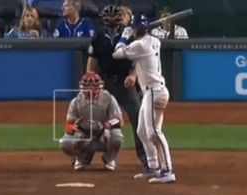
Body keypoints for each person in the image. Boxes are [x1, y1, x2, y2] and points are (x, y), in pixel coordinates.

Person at [113, 14, 176, 183]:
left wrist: (124, 37)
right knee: (142, 131)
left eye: (134, 27)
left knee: (154, 132)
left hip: (155, 92)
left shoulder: (140, 45)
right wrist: (137, 30)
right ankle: (154, 167)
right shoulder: (154, 41)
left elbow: (117, 54)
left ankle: (168, 170)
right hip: (151, 91)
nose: (132, 29)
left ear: (139, 29)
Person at [87, 4, 148, 171]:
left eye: (116, 17)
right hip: (105, 84)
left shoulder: (129, 35)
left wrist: (133, 76)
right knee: (94, 120)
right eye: (110, 18)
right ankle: (85, 156)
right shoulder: (99, 36)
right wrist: (91, 78)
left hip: (125, 84)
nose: (113, 21)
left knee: (138, 119)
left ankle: (146, 158)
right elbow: (92, 61)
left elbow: (137, 61)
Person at [59, 72, 124, 171]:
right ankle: (81, 157)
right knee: (65, 142)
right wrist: (78, 129)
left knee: (117, 136)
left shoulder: (109, 98)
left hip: (103, 135)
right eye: (88, 85)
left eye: (93, 86)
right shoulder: (76, 101)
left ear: (99, 86)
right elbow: (68, 125)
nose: (91, 88)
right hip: (84, 136)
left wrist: (107, 125)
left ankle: (109, 158)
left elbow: (119, 120)